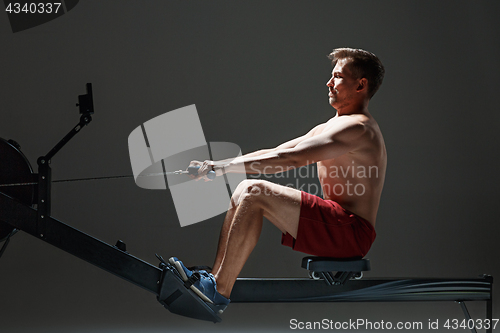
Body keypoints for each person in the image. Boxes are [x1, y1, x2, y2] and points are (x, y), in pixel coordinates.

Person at [170, 47, 387, 314]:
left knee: (253, 191)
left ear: (361, 85)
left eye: (338, 76)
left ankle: (217, 292)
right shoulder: (331, 126)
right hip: (337, 223)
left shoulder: (358, 127)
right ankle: (212, 281)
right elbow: (274, 152)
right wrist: (217, 167)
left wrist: (223, 167)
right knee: (243, 192)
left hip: (351, 231)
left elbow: (291, 159)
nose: (329, 83)